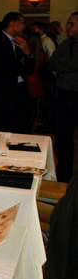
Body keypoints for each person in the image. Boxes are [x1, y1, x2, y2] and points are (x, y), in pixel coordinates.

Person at [49, 11, 78, 182]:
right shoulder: (65, 43)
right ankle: (63, 175)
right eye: (68, 23)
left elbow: (72, 64)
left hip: (75, 94)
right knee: (62, 137)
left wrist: (63, 65)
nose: (67, 27)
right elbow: (52, 63)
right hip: (63, 94)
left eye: (71, 23)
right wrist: (63, 65)